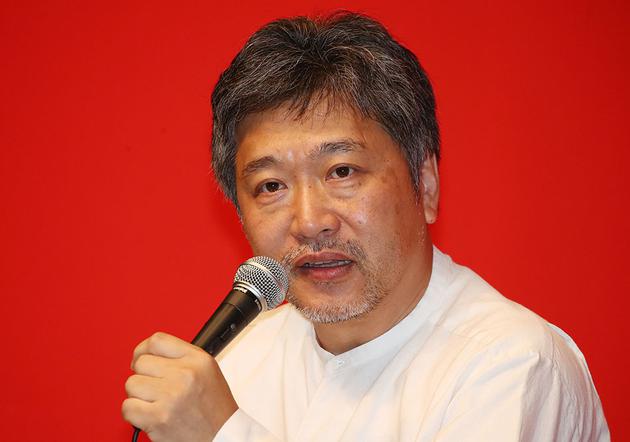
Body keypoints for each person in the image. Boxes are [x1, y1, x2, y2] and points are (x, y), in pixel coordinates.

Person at [122, 12, 609, 441]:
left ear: (426, 184)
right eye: (271, 186)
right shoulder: (237, 362)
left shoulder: (512, 365)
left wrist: (223, 434)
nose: (310, 222)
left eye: (342, 172)